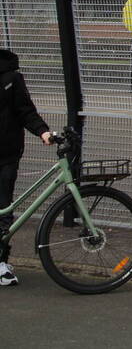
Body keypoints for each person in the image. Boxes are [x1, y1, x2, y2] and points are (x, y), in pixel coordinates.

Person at [0, 49, 53, 286]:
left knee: (3, 208)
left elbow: (25, 110)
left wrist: (43, 131)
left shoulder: (11, 77)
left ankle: (1, 262)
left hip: (6, 154)